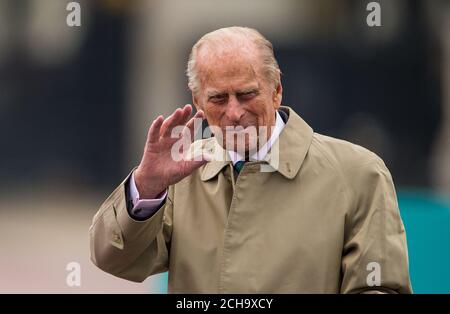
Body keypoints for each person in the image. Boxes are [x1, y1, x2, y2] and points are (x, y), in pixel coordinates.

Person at [89, 26, 412, 293]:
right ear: (197, 100)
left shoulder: (358, 173)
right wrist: (146, 186)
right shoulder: (179, 175)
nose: (234, 112)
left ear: (277, 91)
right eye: (218, 98)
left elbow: (381, 287)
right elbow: (114, 259)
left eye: (246, 94)